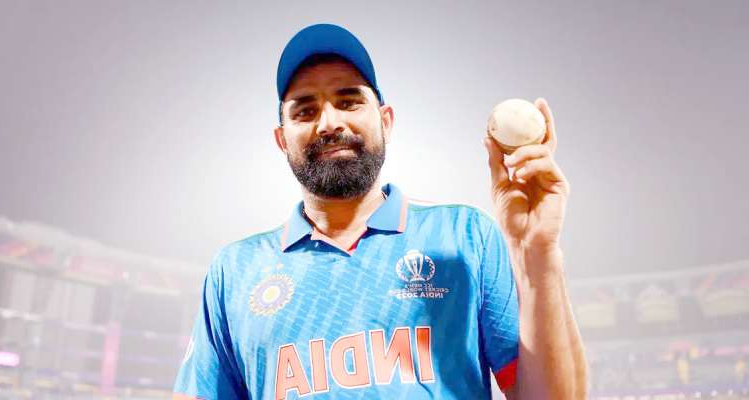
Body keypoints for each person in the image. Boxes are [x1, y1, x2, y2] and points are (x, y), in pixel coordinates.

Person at [173, 23, 587, 399]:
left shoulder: (464, 236)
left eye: (349, 101)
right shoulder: (235, 271)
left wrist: (539, 256)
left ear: (386, 121)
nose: (328, 123)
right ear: (282, 140)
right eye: (305, 110)